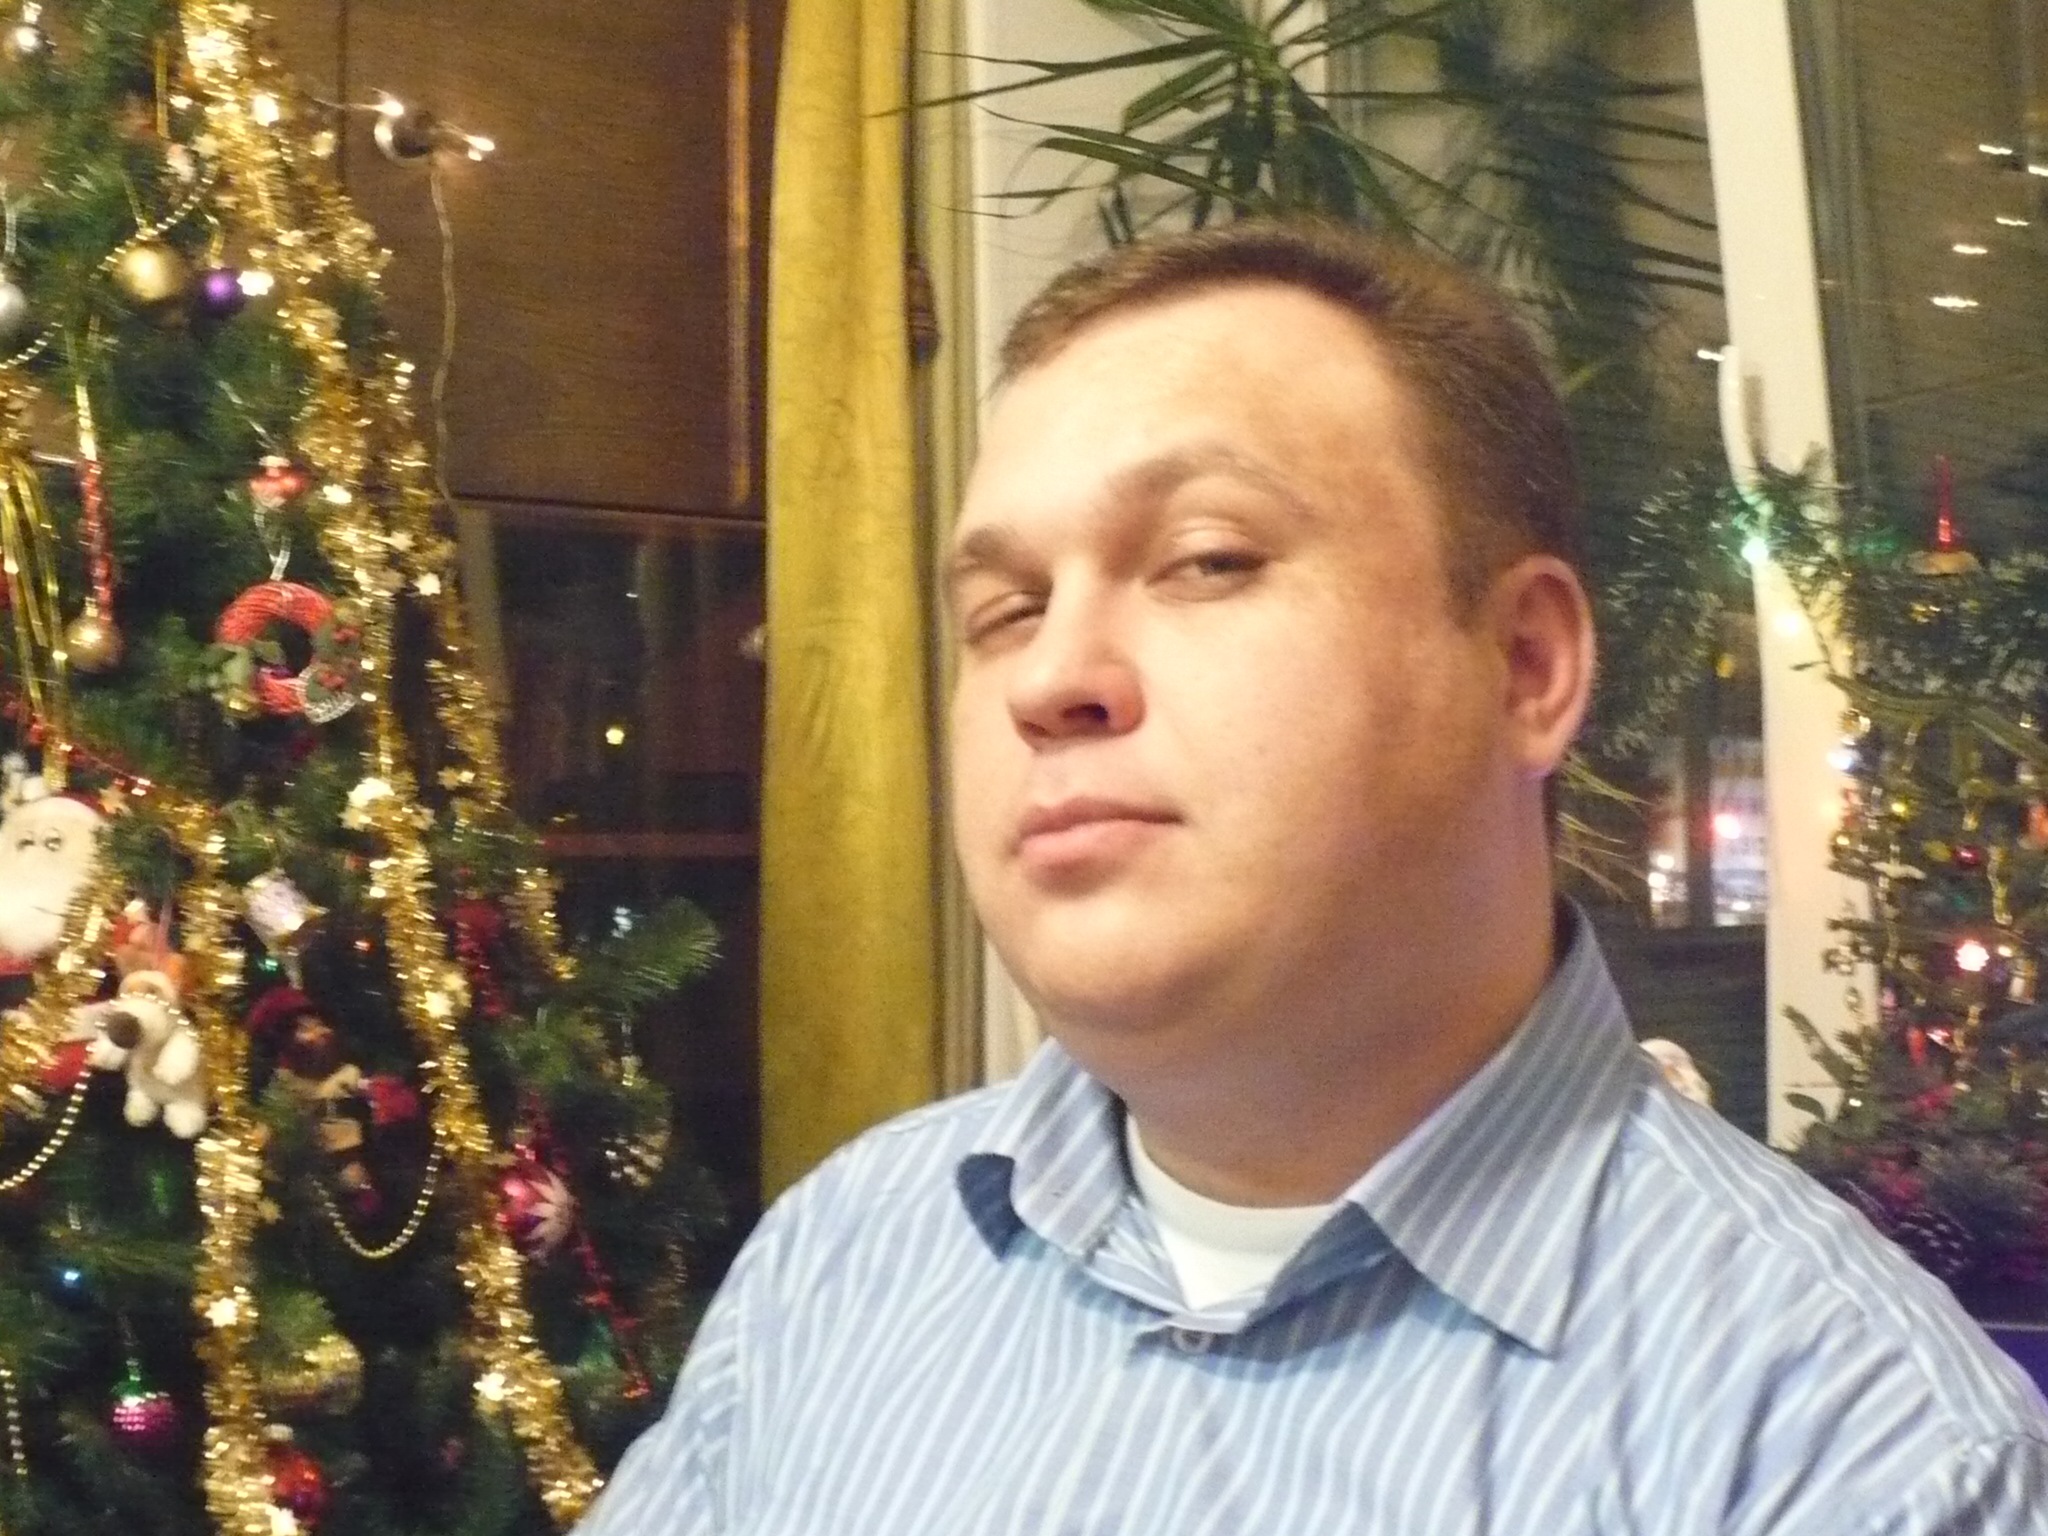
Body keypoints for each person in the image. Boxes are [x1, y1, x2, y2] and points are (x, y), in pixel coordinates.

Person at [578, 220, 2048, 1534]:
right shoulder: (841, 1260)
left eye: (1208, 560)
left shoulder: (1855, 1464)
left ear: (1525, 667)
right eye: (1006, 609)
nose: (1050, 678)